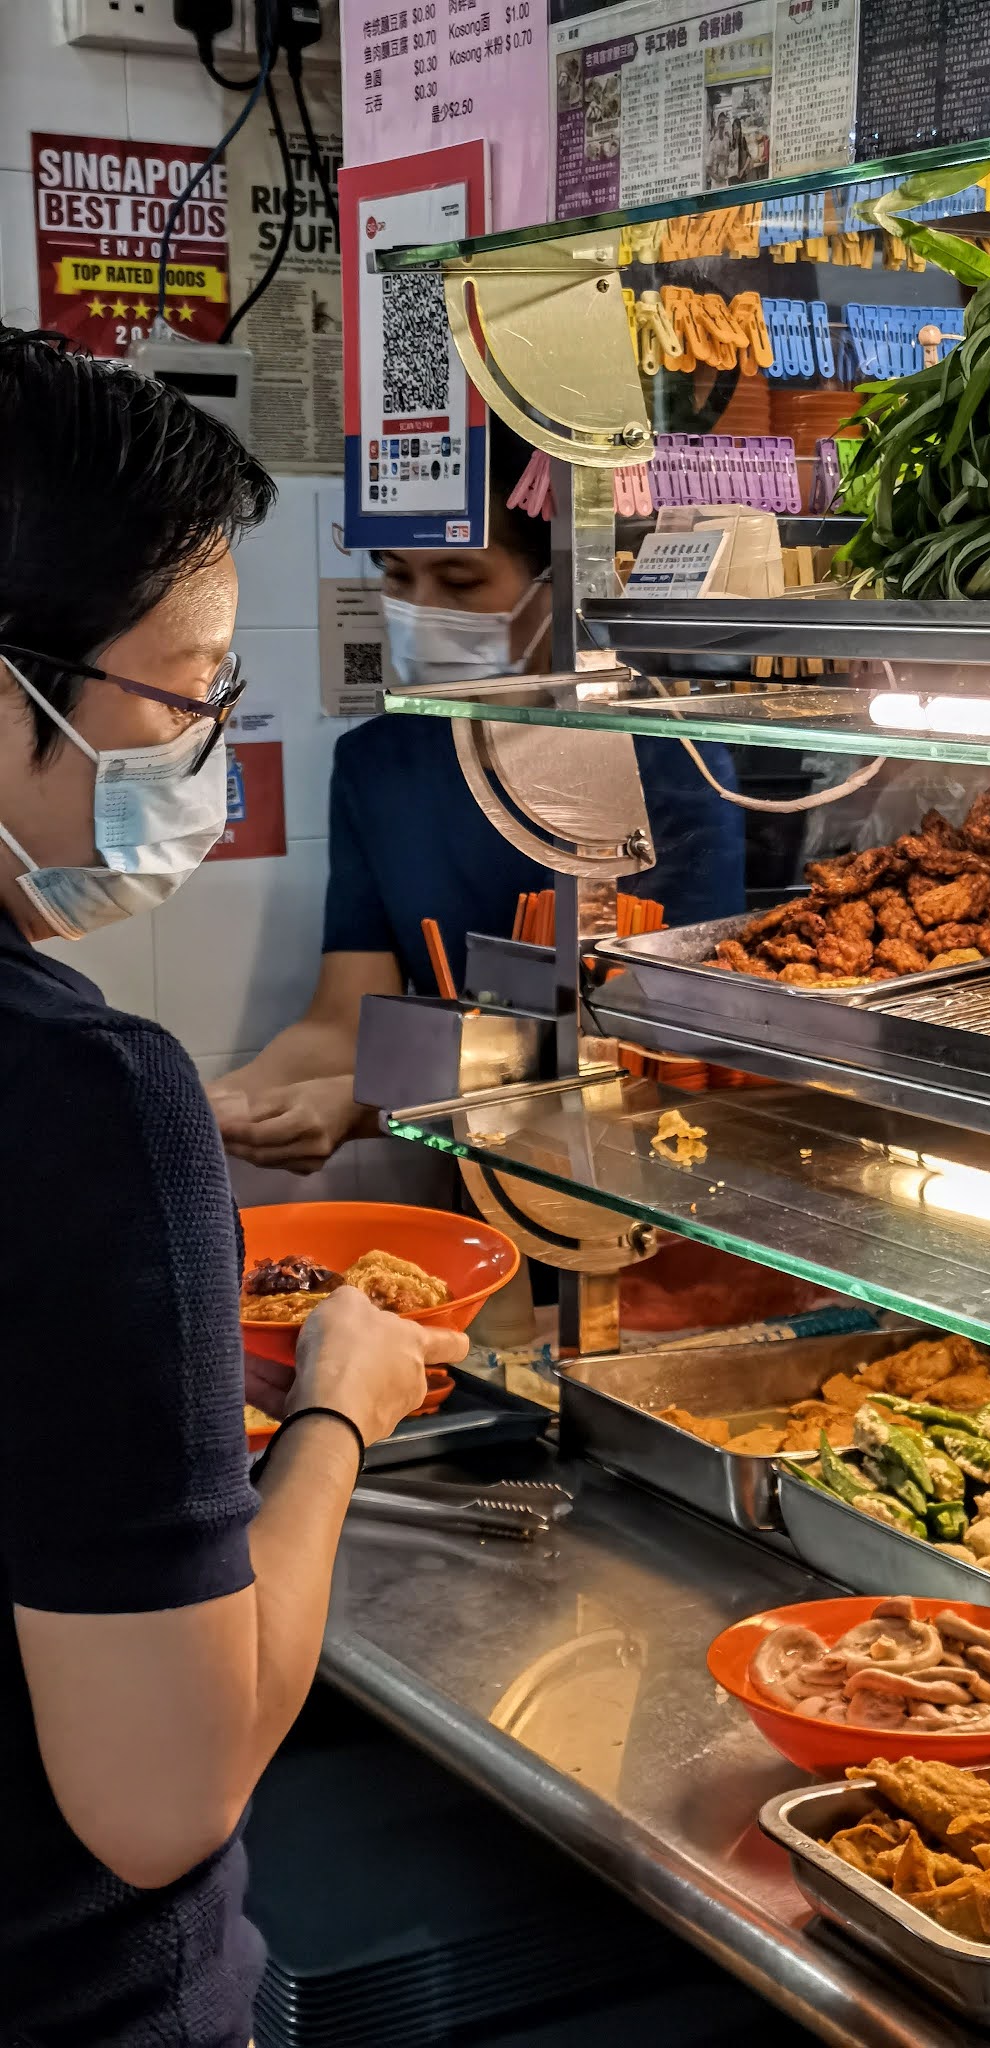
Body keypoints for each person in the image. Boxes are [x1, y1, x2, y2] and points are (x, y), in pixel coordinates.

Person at [0, 329, 468, 2046]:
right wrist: (339, 1404)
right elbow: (161, 1790)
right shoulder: (73, 1097)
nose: (204, 737)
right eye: (186, 686)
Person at [212, 422, 746, 1177]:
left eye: (460, 583)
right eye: (396, 577)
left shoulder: (660, 758)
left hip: (659, 1173)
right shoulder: (376, 763)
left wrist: (362, 1104)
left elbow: (665, 1031)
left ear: (555, 585)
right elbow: (342, 1023)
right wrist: (214, 1103)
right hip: (486, 1180)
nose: (420, 608)